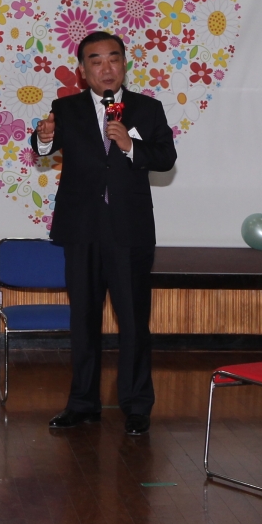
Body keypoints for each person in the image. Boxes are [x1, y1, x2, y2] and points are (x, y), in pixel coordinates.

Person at [30, 31, 177, 436]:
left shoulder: (147, 109)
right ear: (83, 71)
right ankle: (83, 403)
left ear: (125, 64)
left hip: (129, 231)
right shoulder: (67, 107)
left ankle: (135, 405)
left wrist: (130, 146)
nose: (106, 67)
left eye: (114, 59)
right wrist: (43, 140)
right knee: (84, 320)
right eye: (96, 61)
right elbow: (46, 141)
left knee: (133, 322)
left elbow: (165, 157)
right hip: (82, 229)